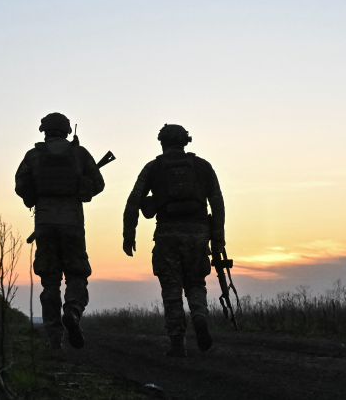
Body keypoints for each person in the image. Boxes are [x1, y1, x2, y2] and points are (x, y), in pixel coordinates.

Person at [121, 124, 225, 357]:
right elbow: (217, 203)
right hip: (198, 234)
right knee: (196, 283)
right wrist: (218, 239)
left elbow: (133, 201)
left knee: (171, 289)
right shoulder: (203, 166)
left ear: (162, 143)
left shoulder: (153, 167)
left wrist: (129, 234)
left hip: (167, 235)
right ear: (185, 141)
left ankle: (178, 344)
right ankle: (199, 315)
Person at [15, 112, 105, 349]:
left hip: (44, 224)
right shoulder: (79, 154)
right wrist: (83, 188)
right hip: (72, 223)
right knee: (76, 274)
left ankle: (54, 337)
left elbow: (21, 185)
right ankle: (73, 310)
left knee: (50, 282)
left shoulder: (33, 155)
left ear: (44, 131)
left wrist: (34, 197)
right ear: (66, 130)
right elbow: (99, 184)